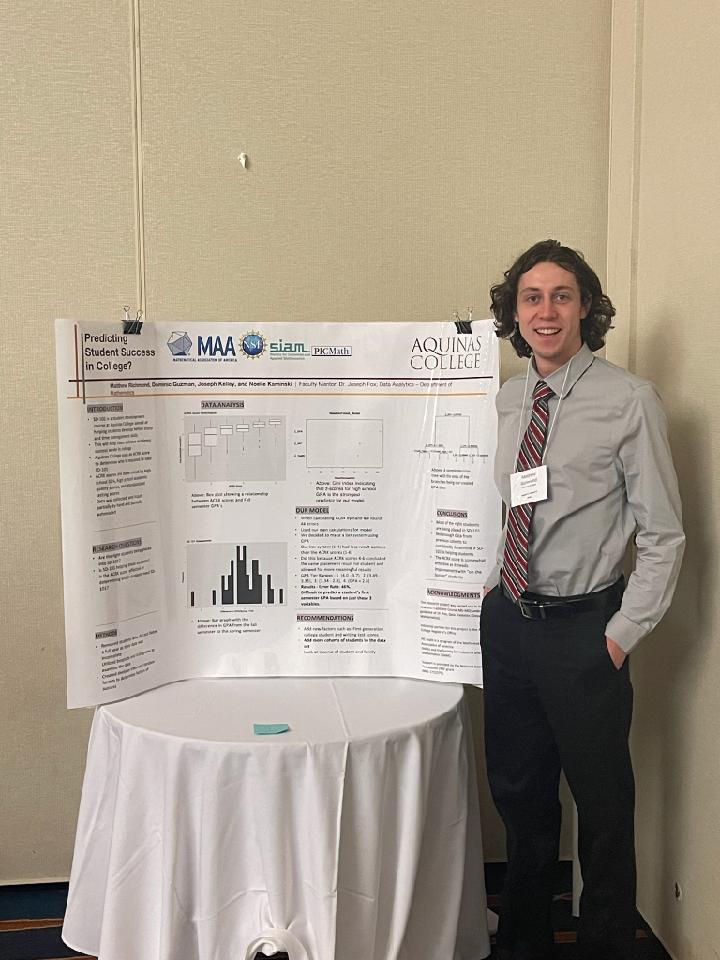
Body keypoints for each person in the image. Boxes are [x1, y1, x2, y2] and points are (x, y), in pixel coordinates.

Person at [480, 239, 684, 960]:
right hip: (508, 628)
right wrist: (486, 587)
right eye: (530, 297)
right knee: (522, 803)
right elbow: (501, 508)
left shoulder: (629, 401)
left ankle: (603, 946)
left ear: (587, 307)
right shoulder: (507, 400)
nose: (545, 311)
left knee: (602, 811)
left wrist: (621, 634)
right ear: (513, 311)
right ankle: (524, 944)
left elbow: (665, 535)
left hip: (585, 633)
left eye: (561, 295)